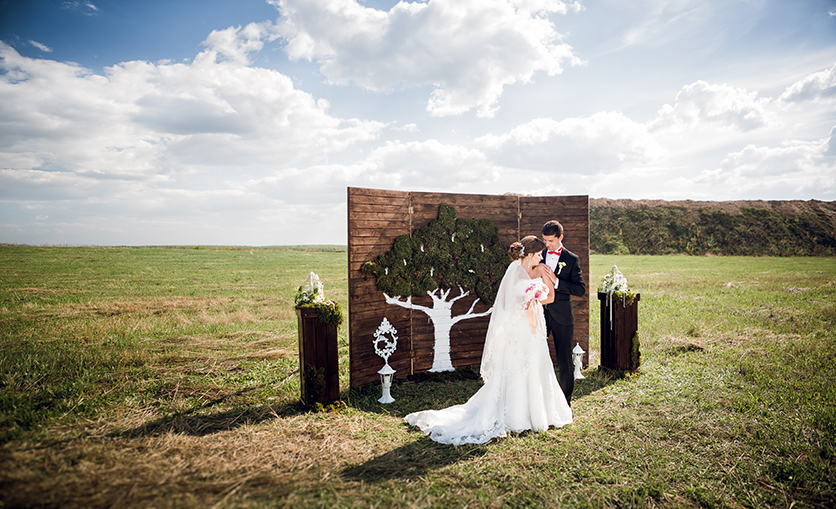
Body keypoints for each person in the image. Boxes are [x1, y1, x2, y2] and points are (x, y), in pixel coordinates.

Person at [405, 235, 573, 445]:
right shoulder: (513, 271)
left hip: (533, 326)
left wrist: (535, 298)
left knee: (537, 364)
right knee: (516, 367)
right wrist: (526, 300)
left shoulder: (541, 270)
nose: (541, 257)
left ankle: (540, 412)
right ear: (530, 254)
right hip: (518, 327)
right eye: (539, 254)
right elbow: (504, 305)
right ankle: (516, 414)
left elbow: (549, 297)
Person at [540, 220, 586, 406]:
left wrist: (557, 282)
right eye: (544, 240)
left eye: (550, 241)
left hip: (562, 316)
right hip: (539, 315)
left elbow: (580, 289)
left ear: (560, 238)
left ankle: (564, 403)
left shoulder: (571, 259)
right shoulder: (538, 255)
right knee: (535, 355)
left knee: (565, 360)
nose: (546, 245)